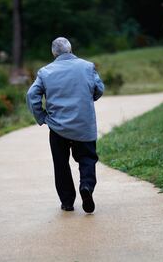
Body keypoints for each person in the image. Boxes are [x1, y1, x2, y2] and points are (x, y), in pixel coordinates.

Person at [26, 37, 104, 213]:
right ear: (70, 49)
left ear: (54, 53)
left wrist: (42, 117)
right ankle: (86, 186)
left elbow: (32, 96)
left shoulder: (45, 72)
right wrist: (88, 99)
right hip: (83, 124)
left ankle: (67, 202)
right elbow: (99, 89)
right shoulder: (87, 66)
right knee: (87, 158)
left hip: (57, 127)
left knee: (61, 163)